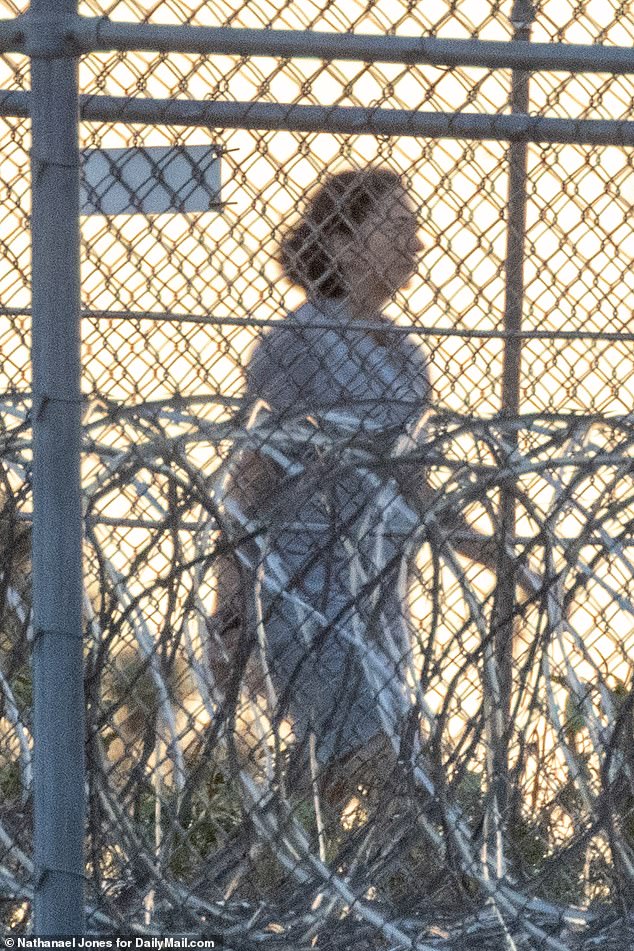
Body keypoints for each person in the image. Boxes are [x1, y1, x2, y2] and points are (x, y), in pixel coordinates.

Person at [208, 168, 502, 798]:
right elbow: (245, 485)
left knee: (334, 786)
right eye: (396, 227)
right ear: (341, 243)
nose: (415, 243)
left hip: (377, 605)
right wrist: (230, 614)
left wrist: (496, 557)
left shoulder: (404, 354)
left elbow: (416, 491)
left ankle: (262, 877)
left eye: (415, 228)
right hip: (302, 601)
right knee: (405, 785)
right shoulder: (297, 342)